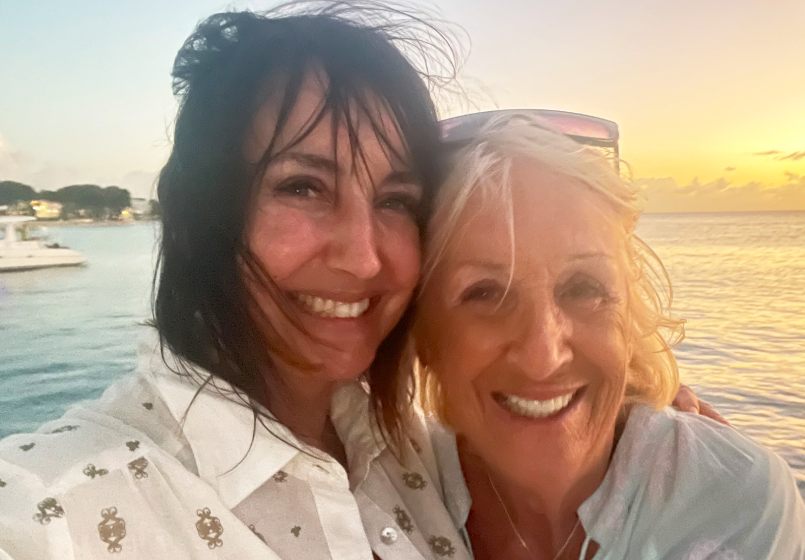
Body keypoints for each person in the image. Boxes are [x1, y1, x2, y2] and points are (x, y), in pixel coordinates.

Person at [0, 4, 717, 559]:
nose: (365, 258)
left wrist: (634, 441)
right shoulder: (52, 508)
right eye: (304, 187)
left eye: (396, 201)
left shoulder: (415, 461)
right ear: (197, 215)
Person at [412, 115, 805, 560]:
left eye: (584, 288)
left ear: (629, 311)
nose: (543, 356)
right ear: (426, 336)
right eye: (485, 292)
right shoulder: (380, 496)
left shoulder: (731, 506)